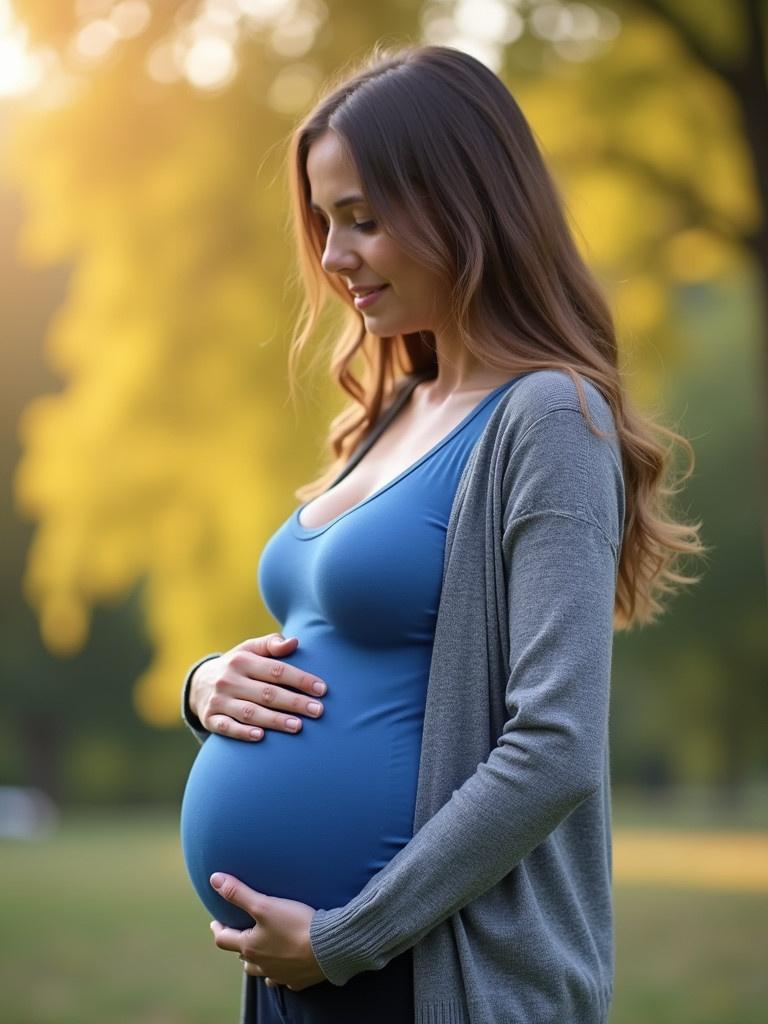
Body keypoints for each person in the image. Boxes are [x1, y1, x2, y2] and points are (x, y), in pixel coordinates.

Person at [179, 43, 706, 1024]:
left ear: (467, 207)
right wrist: (207, 684)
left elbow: (553, 748)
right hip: (305, 977)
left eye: (363, 221)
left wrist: (348, 937)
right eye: (325, 223)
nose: (334, 260)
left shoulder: (548, 417)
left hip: (426, 977)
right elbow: (345, 648)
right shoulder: (396, 407)